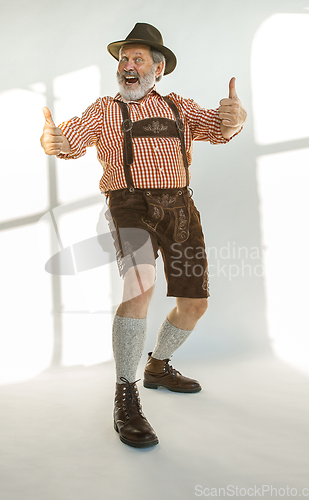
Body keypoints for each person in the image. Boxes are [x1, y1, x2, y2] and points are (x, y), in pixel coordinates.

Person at [40, 23, 247, 448]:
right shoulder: (103, 110)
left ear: (158, 68)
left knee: (195, 303)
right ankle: (125, 393)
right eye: (123, 59)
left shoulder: (179, 107)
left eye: (138, 60)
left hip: (180, 209)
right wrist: (54, 140)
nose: (128, 66)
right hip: (129, 206)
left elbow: (219, 129)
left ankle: (159, 366)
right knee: (139, 286)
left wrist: (234, 120)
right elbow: (70, 140)